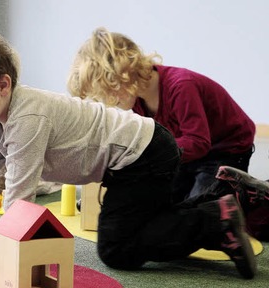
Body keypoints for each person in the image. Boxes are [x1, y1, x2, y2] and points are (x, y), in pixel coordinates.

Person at [0, 28, 257, 279]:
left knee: (118, 249)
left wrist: (6, 245)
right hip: (135, 157)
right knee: (138, 223)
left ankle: (215, 220)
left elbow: (19, 190)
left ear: (3, 85)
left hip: (144, 155)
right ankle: (218, 210)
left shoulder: (27, 116)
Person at [67, 27, 256, 203]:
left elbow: (198, 142)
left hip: (226, 150)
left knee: (199, 210)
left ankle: (251, 192)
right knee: (159, 199)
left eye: (108, 92)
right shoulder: (137, 100)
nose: (107, 101)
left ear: (123, 75)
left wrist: (151, 155)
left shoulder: (181, 86)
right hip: (190, 154)